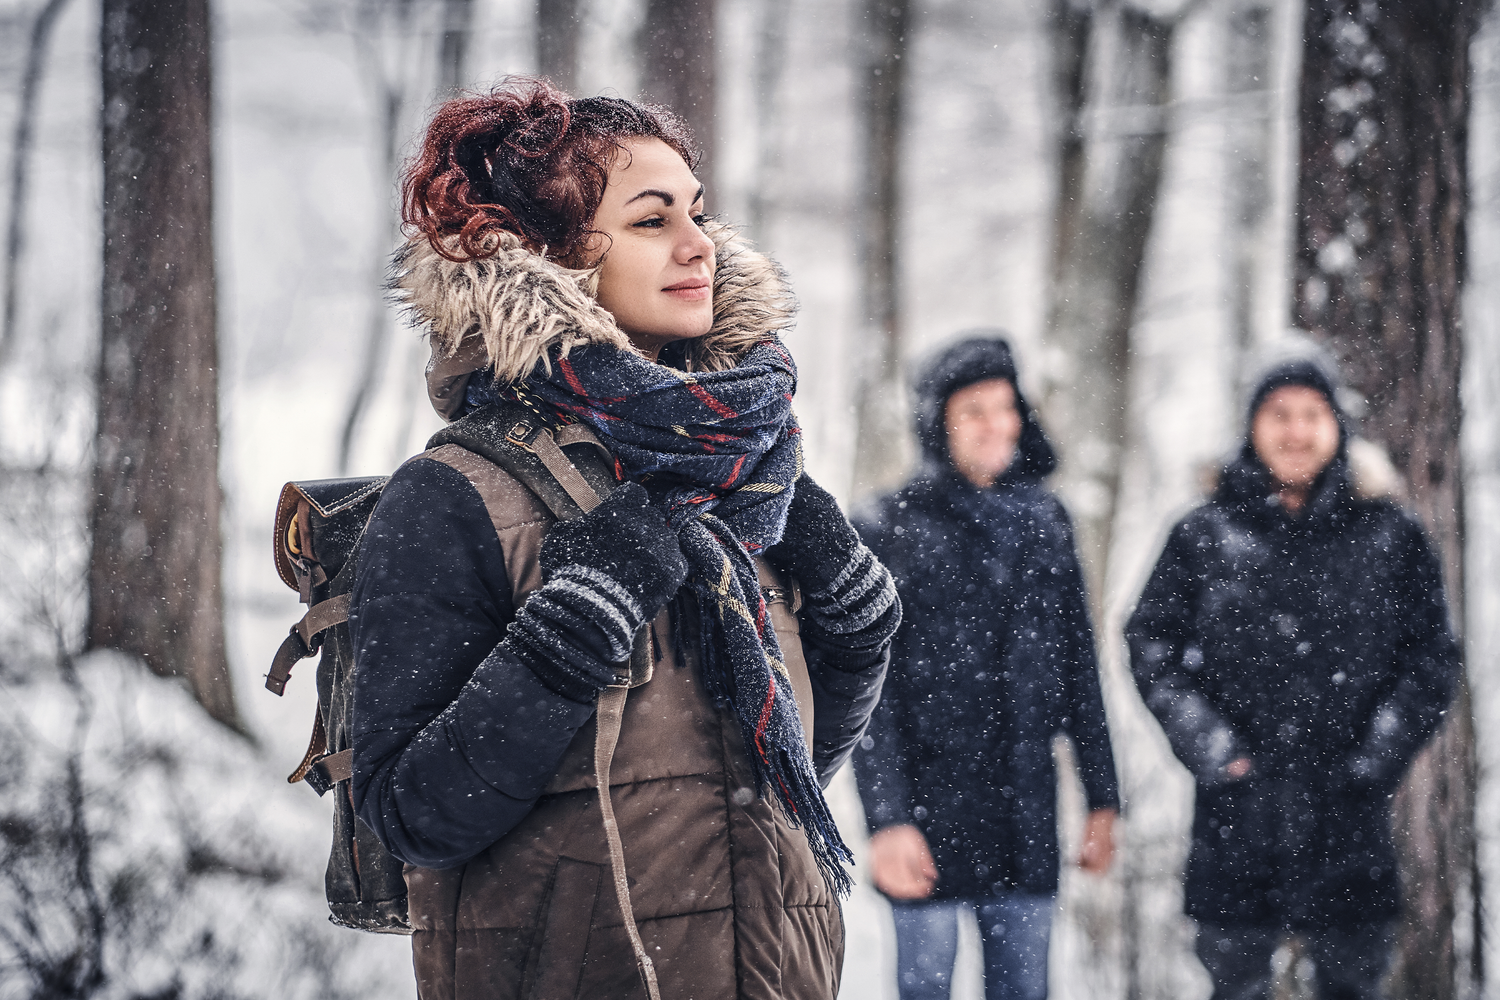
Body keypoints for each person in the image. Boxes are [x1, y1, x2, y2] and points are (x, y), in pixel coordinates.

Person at [347, 79, 900, 1000]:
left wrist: (857, 634)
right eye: (652, 221)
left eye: (698, 212)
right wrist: (569, 635)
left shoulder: (745, 474)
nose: (701, 247)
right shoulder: (452, 497)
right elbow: (414, 817)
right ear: (546, 259)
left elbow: (774, 789)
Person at [1126, 352, 1460, 1000]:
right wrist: (1212, 748)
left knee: (1353, 981)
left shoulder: (1390, 533)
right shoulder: (1204, 531)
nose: (1296, 431)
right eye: (1279, 414)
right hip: (1236, 816)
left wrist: (1377, 759)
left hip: (1352, 816)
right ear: (1252, 426)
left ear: (1338, 427)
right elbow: (1149, 642)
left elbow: (1433, 658)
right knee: (1235, 981)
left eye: (1313, 415)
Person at [854, 335, 1120, 1000]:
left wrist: (1103, 796)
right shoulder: (888, 524)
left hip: (1025, 817)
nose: (995, 424)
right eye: (973, 409)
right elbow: (868, 691)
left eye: (1005, 407)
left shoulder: (1046, 519)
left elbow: (1079, 665)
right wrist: (886, 819)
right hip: (924, 818)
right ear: (938, 422)